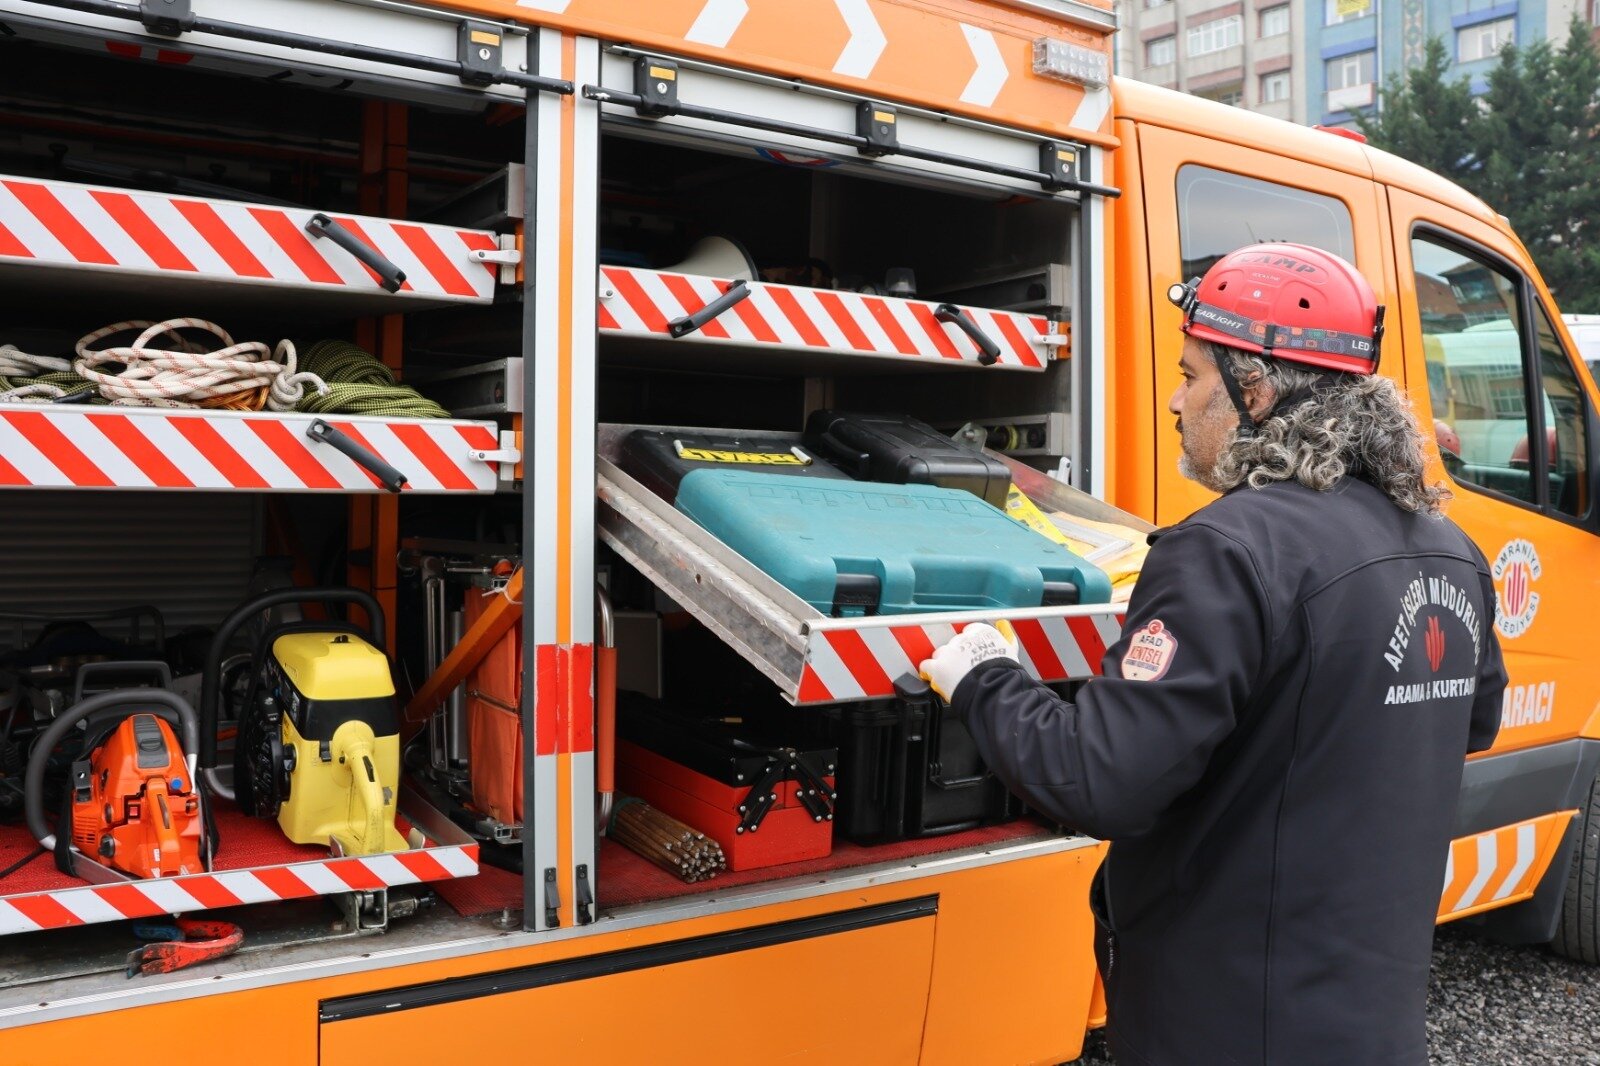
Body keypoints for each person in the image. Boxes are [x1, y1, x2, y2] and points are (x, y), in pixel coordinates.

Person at [920, 242, 1506, 1066]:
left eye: (1191, 375)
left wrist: (985, 677)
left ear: (1254, 388)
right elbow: (1468, 724)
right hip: (1374, 1020)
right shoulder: (1451, 549)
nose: (1175, 399)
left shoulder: (1228, 548)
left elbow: (1100, 781)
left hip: (1232, 1022)